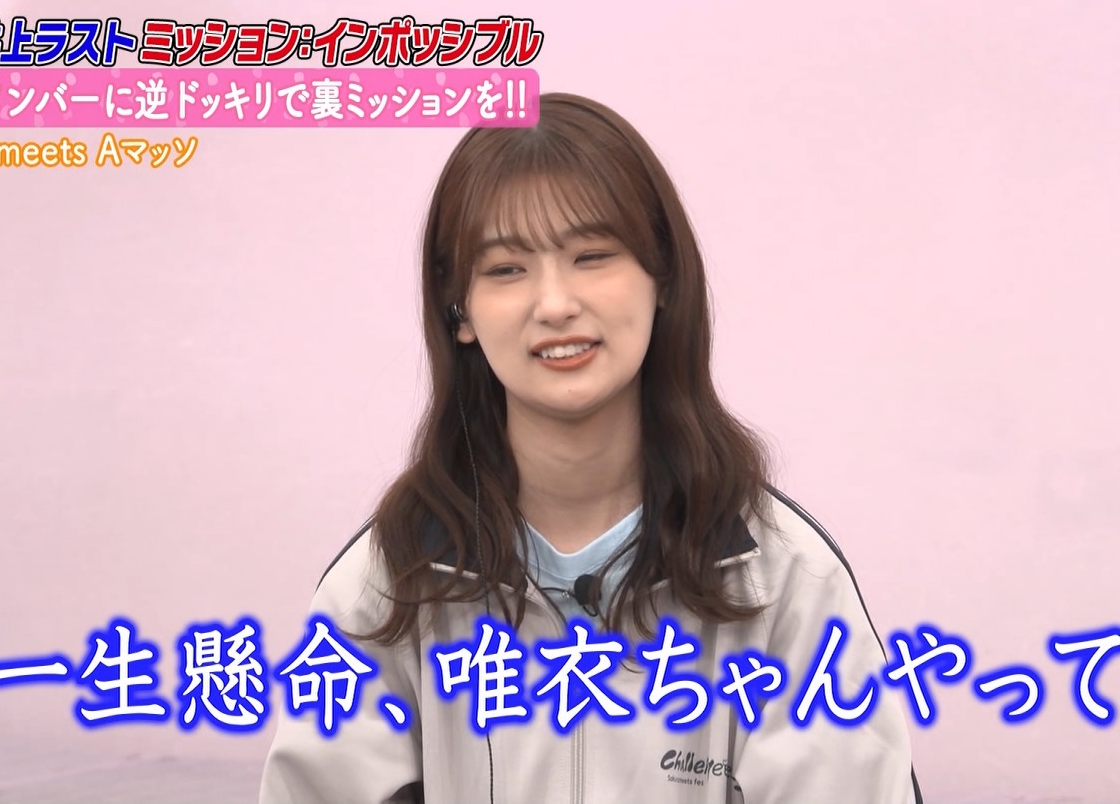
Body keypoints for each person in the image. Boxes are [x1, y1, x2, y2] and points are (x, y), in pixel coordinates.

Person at [259, 92, 921, 804]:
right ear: (460, 312)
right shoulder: (387, 588)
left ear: (663, 278)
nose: (555, 304)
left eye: (592, 256)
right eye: (506, 269)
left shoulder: (784, 579)